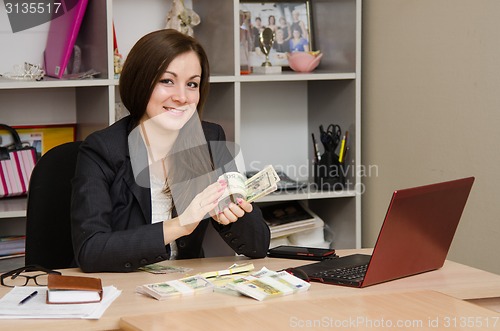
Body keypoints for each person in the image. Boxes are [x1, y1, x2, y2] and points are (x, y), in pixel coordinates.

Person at [71, 29, 271, 273]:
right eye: (167, 81)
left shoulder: (209, 138)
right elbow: (91, 250)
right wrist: (180, 225)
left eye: (192, 84)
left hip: (188, 290)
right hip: (125, 289)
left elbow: (259, 245)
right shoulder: (102, 149)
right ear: (140, 81)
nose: (182, 97)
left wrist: (232, 213)